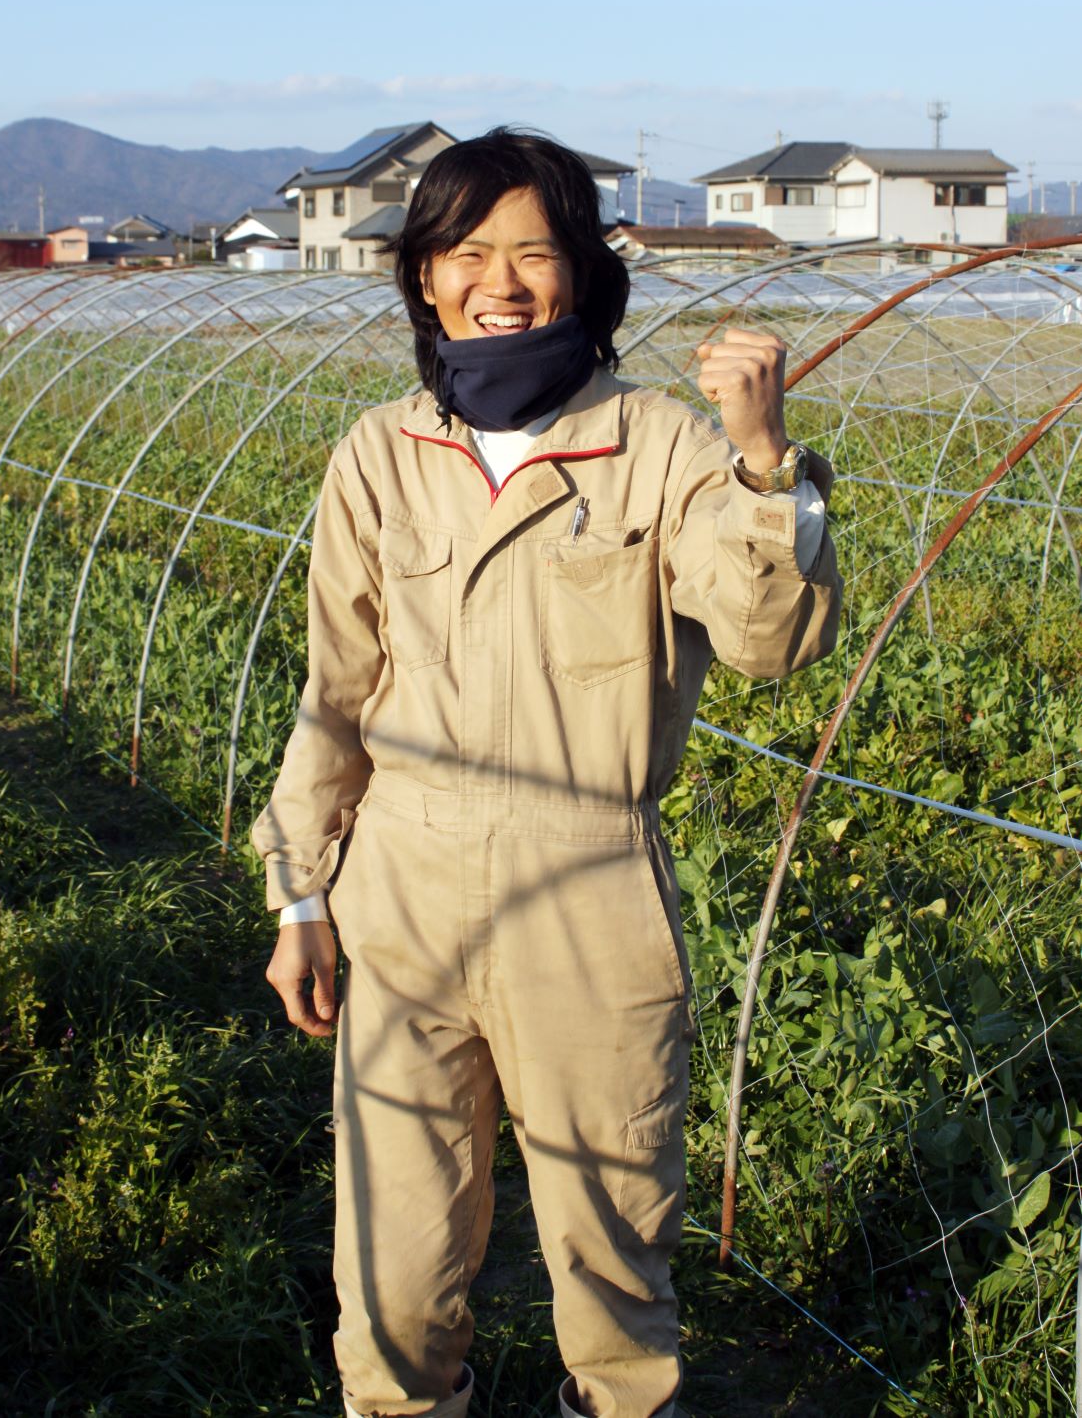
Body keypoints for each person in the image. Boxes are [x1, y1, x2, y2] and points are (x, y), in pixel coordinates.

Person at [252, 130, 841, 1418]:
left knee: (612, 1264)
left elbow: (769, 643)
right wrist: (303, 896)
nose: (499, 280)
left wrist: (762, 465)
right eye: (467, 252)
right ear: (423, 278)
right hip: (398, 886)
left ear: (582, 271)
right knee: (393, 1268)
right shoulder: (381, 453)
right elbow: (335, 696)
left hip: (588, 885)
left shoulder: (659, 445)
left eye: (533, 250)